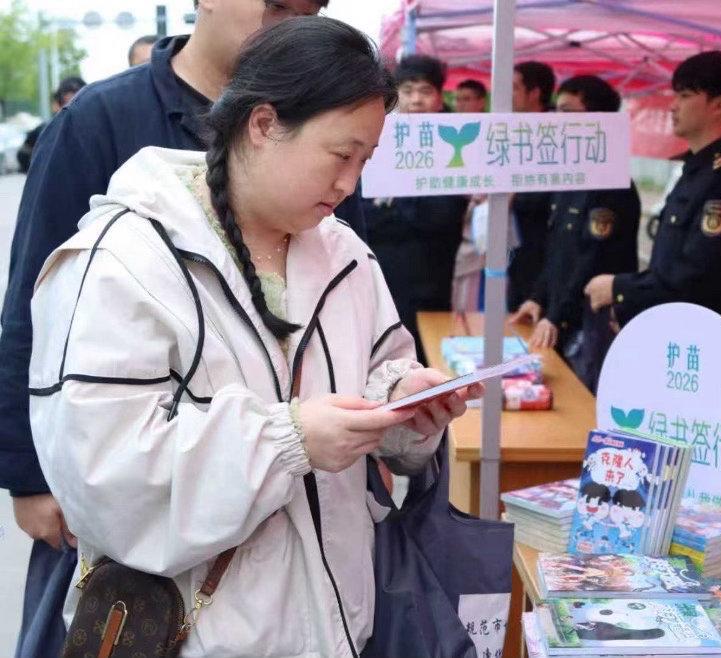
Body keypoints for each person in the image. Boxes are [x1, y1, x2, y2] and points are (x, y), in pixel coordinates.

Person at [28, 17, 480, 657]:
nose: (350, 184)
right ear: (264, 125)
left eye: (365, 161)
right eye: (340, 155)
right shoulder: (126, 261)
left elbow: (382, 367)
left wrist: (407, 403)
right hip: (203, 636)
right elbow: (106, 479)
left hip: (340, 623)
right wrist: (287, 439)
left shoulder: (345, 256)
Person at [1, 2, 362, 656]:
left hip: (291, 514)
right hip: (135, 480)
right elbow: (33, 297)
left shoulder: (329, 140)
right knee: (112, 622)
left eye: (305, 11)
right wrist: (26, 476)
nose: (288, 24)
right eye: (276, 5)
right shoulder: (100, 121)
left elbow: (342, 303)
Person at [585, 51, 721, 335]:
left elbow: (697, 276)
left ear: (719, 105)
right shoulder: (698, 171)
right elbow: (669, 269)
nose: (673, 106)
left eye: (685, 95)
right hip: (677, 332)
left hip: (704, 341)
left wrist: (619, 289)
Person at [511, 75, 640, 392]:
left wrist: (556, 315)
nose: (558, 123)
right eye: (557, 112)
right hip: (561, 317)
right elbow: (556, 251)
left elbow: (591, 260)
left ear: (598, 122)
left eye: (568, 113)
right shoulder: (572, 175)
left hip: (590, 324)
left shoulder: (612, 183)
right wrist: (537, 298)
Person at [364, 53, 470, 359]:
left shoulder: (454, 147)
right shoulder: (377, 142)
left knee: (424, 362)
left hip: (430, 280)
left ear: (439, 99)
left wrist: (393, 209)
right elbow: (364, 215)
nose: (416, 100)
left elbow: (443, 217)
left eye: (425, 92)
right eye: (408, 91)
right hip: (379, 278)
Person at [507, 60, 556, 310]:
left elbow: (546, 193)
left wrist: (512, 196)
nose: (508, 94)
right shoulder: (515, 132)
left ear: (535, 93)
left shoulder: (555, 136)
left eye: (514, 87)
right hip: (518, 252)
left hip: (543, 255)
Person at [15, 76, 85, 173]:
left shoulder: (94, 131)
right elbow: (23, 156)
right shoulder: (44, 131)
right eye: (67, 102)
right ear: (57, 104)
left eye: (76, 102)